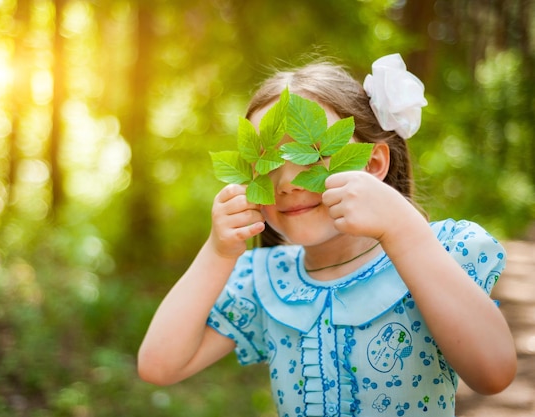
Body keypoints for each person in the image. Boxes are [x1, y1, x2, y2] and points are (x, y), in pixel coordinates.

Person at [137, 54, 516, 416]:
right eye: (264, 163)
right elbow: (159, 366)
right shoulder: (266, 281)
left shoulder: (437, 252)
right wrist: (218, 253)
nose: (285, 182)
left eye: (309, 154)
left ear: (373, 164)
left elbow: (494, 373)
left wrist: (404, 230)